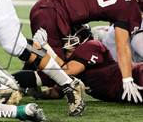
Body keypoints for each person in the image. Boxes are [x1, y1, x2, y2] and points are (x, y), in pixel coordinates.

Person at [26, 0, 142, 103]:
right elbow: (122, 47)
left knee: (54, 67)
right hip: (54, 18)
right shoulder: (129, 9)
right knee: (53, 73)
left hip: (48, 5)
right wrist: (127, 78)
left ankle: (28, 81)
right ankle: (9, 83)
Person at [13, 26, 143, 103]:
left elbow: (68, 71)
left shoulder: (92, 46)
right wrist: (7, 81)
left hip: (137, 76)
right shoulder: (65, 65)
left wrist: (46, 49)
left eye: (69, 37)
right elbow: (50, 87)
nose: (65, 41)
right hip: (127, 93)